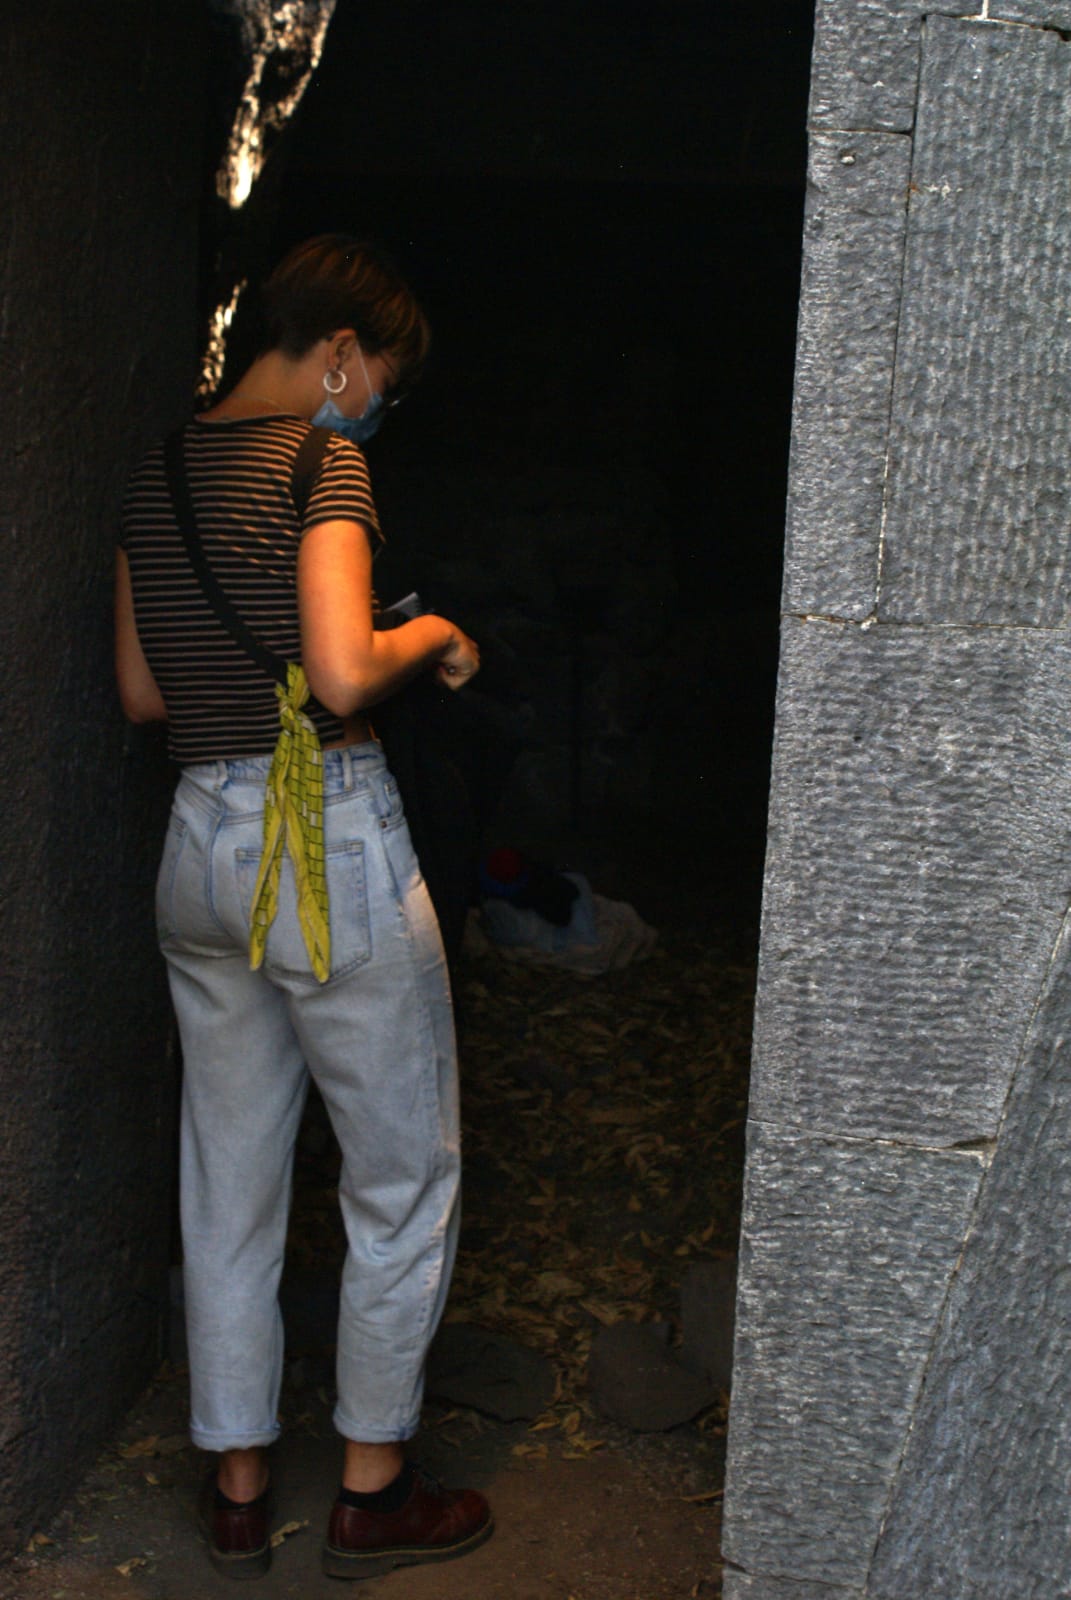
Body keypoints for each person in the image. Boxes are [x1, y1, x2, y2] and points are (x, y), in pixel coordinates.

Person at [115, 235, 493, 1581]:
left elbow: (144, 695)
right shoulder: (322, 463)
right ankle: (373, 1491)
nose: (376, 403)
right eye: (379, 375)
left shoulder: (158, 470)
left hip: (196, 844)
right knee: (402, 1171)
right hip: (321, 838)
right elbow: (339, 672)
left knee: (226, 1177)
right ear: (338, 352)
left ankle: (236, 1483)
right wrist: (434, 637)